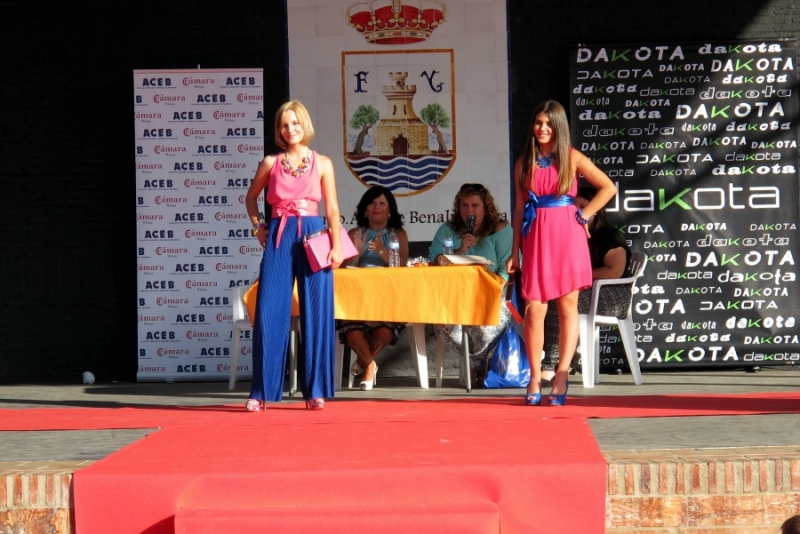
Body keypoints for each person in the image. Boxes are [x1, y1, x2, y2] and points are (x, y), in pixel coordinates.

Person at [507, 100, 616, 406]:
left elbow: (608, 187)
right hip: (535, 238)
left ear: (559, 127)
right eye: (538, 122)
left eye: (548, 124)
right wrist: (514, 251)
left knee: (568, 308)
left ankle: (562, 374)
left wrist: (585, 215)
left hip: (568, 237)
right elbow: (519, 209)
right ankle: (534, 376)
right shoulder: (523, 162)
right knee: (533, 310)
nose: (542, 128)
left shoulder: (572, 157)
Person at [244, 100, 343, 411]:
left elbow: (332, 208)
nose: (290, 130)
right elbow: (251, 197)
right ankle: (260, 391)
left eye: (295, 123)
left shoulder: (323, 163)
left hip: (314, 234)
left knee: (317, 312)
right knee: (269, 311)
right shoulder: (270, 163)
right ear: (279, 130)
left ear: (305, 125)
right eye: (284, 125)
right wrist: (258, 227)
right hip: (279, 233)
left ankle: (316, 391)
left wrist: (337, 245)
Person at [541, 186, 632, 380]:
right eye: (574, 207)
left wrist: (577, 277)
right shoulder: (571, 234)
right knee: (539, 300)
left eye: (583, 206)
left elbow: (614, 272)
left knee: (561, 300)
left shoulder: (609, 235)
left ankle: (550, 366)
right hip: (584, 290)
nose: (578, 212)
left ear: (596, 207)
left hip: (612, 295)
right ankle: (536, 361)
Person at [429, 183, 513, 387]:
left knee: (485, 329)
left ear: (486, 207)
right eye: (464, 205)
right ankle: (478, 362)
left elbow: (506, 268)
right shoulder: (448, 229)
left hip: (491, 292)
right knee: (442, 324)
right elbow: (434, 259)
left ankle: (474, 364)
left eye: (475, 205)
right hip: (454, 295)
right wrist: (459, 252)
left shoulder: (500, 229)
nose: (469, 211)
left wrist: (492, 290)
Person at [339, 186, 409, 390]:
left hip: (388, 297)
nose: (376, 207)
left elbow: (402, 266)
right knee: (352, 334)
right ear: (364, 209)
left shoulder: (398, 234)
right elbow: (342, 269)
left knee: (385, 332)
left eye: (382, 203)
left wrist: (381, 251)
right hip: (357, 297)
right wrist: (356, 255)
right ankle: (370, 366)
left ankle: (363, 362)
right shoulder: (354, 233)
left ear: (390, 210)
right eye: (372, 203)